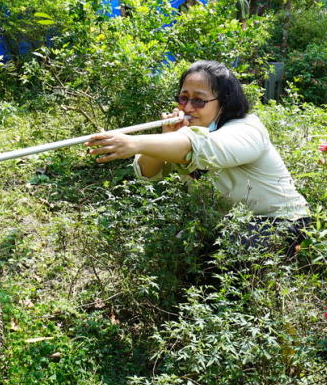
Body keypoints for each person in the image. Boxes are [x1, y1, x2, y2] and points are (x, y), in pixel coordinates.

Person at [86, 60, 310, 258]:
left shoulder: (248, 129)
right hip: (227, 223)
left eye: (199, 101)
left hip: (281, 222)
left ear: (224, 101)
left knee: (228, 252)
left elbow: (204, 149)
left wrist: (135, 143)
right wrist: (166, 137)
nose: (188, 107)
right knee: (175, 249)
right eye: (184, 98)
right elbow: (147, 172)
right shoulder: (186, 133)